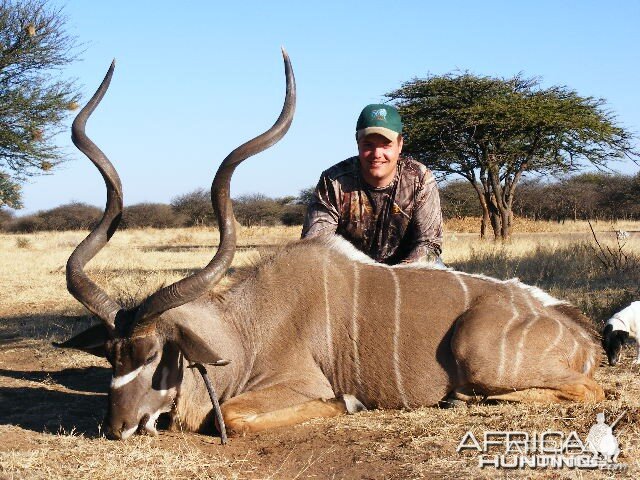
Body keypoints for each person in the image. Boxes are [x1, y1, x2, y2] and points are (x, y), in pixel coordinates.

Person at [302, 104, 444, 266]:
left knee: (439, 270)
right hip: (351, 273)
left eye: (386, 145)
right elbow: (314, 244)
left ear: (400, 145)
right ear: (358, 143)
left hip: (405, 274)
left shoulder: (419, 178)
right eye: (368, 144)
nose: (377, 154)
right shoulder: (334, 180)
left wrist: (396, 277)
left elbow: (430, 244)